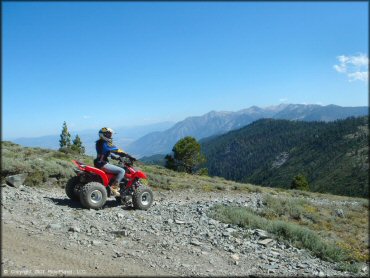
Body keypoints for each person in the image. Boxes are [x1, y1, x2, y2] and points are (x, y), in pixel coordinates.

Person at [94, 127, 131, 197]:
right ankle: (114, 188)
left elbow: (105, 152)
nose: (110, 136)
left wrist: (115, 157)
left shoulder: (99, 143)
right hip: (103, 164)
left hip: (98, 162)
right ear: (103, 135)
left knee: (115, 167)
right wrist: (127, 155)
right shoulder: (105, 143)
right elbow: (117, 150)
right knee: (122, 171)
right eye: (108, 134)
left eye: (110, 134)